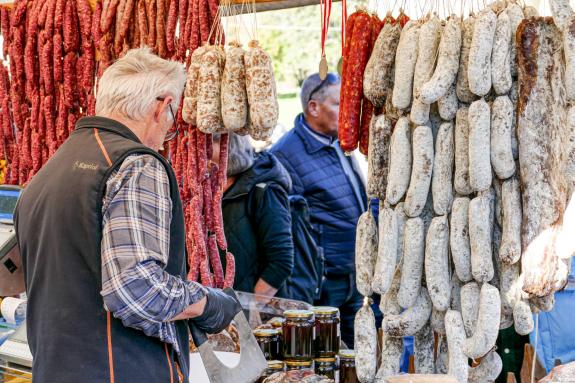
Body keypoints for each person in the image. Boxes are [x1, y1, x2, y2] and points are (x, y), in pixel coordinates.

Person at [14, 48, 240, 383]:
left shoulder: (49, 171)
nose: (167, 134)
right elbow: (136, 290)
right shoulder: (135, 164)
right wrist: (208, 303)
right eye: (172, 117)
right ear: (161, 106)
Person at [271, 72, 368, 347]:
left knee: (356, 361)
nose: (347, 112)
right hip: (324, 283)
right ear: (313, 107)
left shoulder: (338, 142)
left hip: (354, 275)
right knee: (325, 358)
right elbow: (289, 228)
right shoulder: (285, 154)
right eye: (339, 104)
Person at [220, 133, 294, 298]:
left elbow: (281, 262)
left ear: (228, 148)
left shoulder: (264, 190)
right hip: (216, 311)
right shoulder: (205, 188)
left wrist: (252, 308)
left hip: (254, 311)